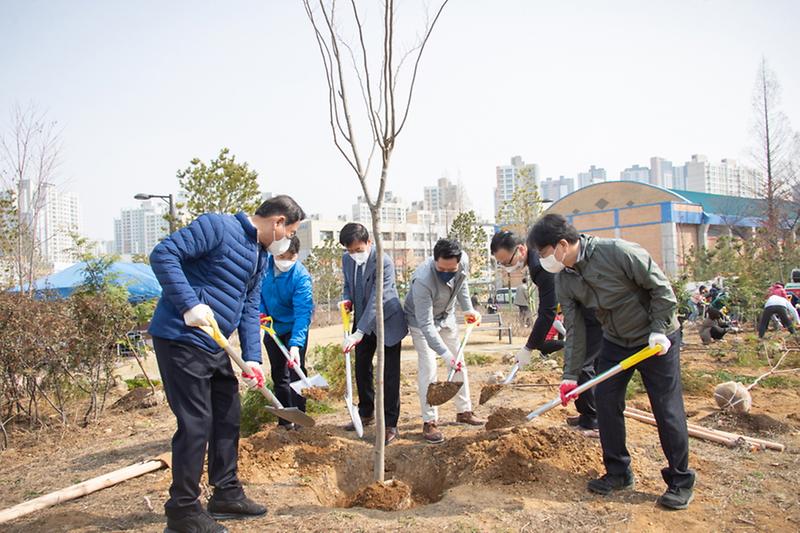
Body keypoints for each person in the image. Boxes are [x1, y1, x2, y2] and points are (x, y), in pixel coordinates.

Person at [149, 195, 306, 533]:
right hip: (181, 337)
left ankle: (226, 493)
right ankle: (183, 511)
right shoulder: (217, 226)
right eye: (290, 232)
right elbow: (163, 254)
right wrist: (189, 304)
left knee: (227, 415)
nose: (288, 240)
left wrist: (252, 357)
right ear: (278, 222)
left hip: (214, 341)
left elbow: (250, 305)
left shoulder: (260, 255)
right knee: (196, 423)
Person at [529, 213, 695, 510]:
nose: (542, 261)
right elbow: (575, 328)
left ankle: (680, 481)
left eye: (543, 253)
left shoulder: (619, 252)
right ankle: (618, 472)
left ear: (562, 245)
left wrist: (658, 330)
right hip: (616, 341)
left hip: (656, 340)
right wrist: (570, 375)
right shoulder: (564, 279)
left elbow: (662, 291)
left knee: (666, 408)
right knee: (605, 401)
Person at [491, 230, 602, 434]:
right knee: (583, 362)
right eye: (501, 264)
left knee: (580, 362)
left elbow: (547, 313)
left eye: (507, 261)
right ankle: (589, 413)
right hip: (581, 308)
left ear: (521, 249)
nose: (506, 267)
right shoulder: (537, 259)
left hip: (591, 310)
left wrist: (529, 347)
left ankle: (593, 420)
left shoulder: (541, 265)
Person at [404, 238, 483, 444]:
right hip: (421, 322)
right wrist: (445, 355)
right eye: (442, 269)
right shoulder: (422, 280)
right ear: (434, 260)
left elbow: (461, 285)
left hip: (446, 317)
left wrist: (468, 310)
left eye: (451, 270)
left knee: (459, 363)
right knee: (429, 367)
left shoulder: (463, 262)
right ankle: (429, 421)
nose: (446, 273)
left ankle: (464, 411)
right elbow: (426, 325)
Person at [339, 223, 408, 445]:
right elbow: (348, 284)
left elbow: (378, 298)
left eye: (358, 250)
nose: (354, 254)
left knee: (389, 373)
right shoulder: (347, 259)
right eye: (350, 250)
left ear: (369, 243)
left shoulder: (383, 261)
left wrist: (359, 332)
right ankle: (366, 412)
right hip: (362, 320)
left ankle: (390, 424)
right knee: (362, 368)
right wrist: (347, 300)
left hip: (387, 320)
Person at [259, 235, 313, 430]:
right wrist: (261, 312)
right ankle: (284, 420)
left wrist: (296, 345)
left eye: (289, 257)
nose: (283, 261)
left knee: (296, 372)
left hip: (293, 328)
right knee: (279, 375)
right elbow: (256, 292)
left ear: (296, 255)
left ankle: (300, 419)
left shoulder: (301, 277)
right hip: (272, 326)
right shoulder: (263, 267)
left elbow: (303, 314)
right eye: (280, 256)